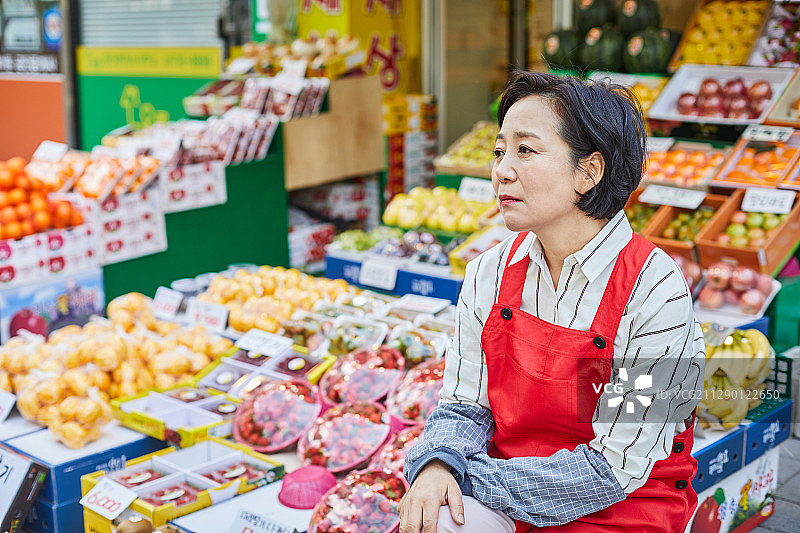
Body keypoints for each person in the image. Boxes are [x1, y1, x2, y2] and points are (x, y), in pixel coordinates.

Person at [399, 71, 705, 533]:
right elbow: (463, 407)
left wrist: (466, 478)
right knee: (432, 518)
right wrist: (438, 465)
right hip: (510, 490)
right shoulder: (489, 272)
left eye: (526, 150)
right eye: (499, 151)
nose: (501, 169)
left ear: (589, 171)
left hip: (622, 508)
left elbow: (614, 469)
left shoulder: (657, 289)